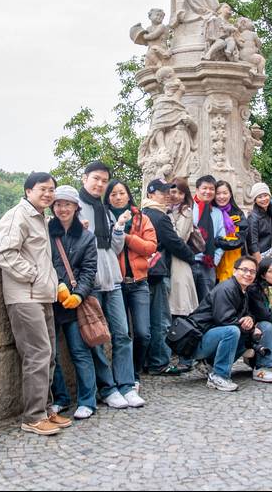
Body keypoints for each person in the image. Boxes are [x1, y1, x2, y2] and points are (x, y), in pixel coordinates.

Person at [0, 171, 71, 436]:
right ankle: (33, 417)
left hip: (41, 295)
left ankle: (46, 408)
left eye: (52, 190)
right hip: (24, 297)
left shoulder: (40, 217)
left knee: (48, 354)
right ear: (28, 191)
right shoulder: (18, 215)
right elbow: (5, 254)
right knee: (37, 354)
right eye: (43, 189)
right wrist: (34, 276)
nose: (48, 194)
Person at [77, 162, 144, 409]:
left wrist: (118, 228)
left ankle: (127, 385)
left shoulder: (104, 210)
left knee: (122, 334)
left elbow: (113, 249)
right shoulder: (76, 208)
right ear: (85, 179)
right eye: (96, 179)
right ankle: (108, 388)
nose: (100, 184)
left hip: (113, 280)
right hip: (91, 283)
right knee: (96, 337)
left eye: (104, 181)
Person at [47, 185, 107, 421]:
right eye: (58, 204)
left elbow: (89, 269)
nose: (62, 209)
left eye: (67, 204)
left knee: (79, 352)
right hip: (51, 298)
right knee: (52, 355)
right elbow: (46, 262)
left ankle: (87, 401)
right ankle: (60, 398)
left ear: (75, 207)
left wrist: (79, 295)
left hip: (73, 302)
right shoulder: (46, 232)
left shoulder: (86, 237)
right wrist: (58, 284)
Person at [106, 179, 157, 388]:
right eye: (113, 194)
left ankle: (135, 373)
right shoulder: (105, 218)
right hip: (116, 283)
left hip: (138, 282)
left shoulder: (141, 219)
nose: (118, 197)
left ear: (129, 195)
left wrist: (126, 237)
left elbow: (150, 247)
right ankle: (123, 377)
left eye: (121, 193)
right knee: (121, 333)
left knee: (143, 332)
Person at [140, 179, 194, 376]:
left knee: (144, 322)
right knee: (161, 319)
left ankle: (145, 362)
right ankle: (159, 362)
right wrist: (191, 257)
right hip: (158, 272)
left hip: (143, 272)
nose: (166, 195)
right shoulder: (159, 216)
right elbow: (174, 242)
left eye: (167, 192)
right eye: (162, 192)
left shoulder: (142, 213)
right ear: (151, 194)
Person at [188, 255, 258, 392]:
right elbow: (223, 320)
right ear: (234, 271)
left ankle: (210, 364)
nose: (248, 274)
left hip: (210, 336)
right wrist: (250, 328)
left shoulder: (243, 291)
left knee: (244, 334)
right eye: (244, 270)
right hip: (196, 340)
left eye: (252, 271)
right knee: (232, 331)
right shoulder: (226, 288)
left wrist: (250, 320)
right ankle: (218, 376)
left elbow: (246, 314)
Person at [167, 178, 199, 319]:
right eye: (173, 191)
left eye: (181, 193)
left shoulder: (186, 211)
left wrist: (167, 216)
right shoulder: (165, 209)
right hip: (166, 259)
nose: (176, 196)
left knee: (180, 304)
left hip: (179, 261)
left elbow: (178, 236)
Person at [192, 174, 226, 304]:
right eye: (204, 188)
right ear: (197, 190)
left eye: (211, 189)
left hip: (208, 264)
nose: (208, 192)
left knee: (207, 301)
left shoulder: (217, 213)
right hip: (190, 261)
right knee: (188, 300)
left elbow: (221, 239)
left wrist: (215, 259)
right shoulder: (189, 208)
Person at [213, 180, 249, 283]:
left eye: (225, 193)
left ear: (230, 194)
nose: (221, 196)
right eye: (218, 193)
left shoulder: (238, 214)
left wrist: (218, 241)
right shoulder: (211, 212)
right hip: (215, 263)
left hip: (234, 261)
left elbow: (239, 240)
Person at [247, 182, 272, 263]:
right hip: (260, 255)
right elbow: (253, 243)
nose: (263, 199)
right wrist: (259, 262)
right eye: (259, 197)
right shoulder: (253, 217)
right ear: (255, 200)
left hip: (270, 251)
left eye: (265, 195)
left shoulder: (269, 211)